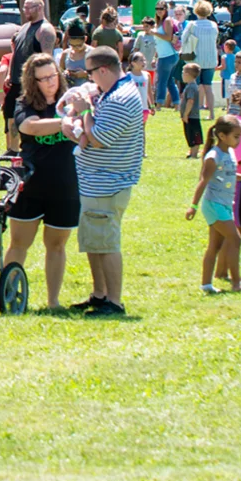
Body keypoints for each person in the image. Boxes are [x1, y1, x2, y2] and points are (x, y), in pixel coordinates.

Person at [69, 46, 143, 317]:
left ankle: (114, 301)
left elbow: (99, 138)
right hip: (97, 182)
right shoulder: (112, 93)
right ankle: (100, 295)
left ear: (102, 70)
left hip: (108, 184)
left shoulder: (121, 98)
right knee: (94, 241)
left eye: (90, 73)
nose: (88, 78)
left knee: (106, 243)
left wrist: (85, 110)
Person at [4, 54, 79, 309]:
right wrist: (65, 123)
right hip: (31, 184)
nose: (50, 82)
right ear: (32, 81)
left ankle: (53, 302)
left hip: (65, 183)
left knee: (56, 245)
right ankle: (7, 296)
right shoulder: (24, 103)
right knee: (19, 244)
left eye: (53, 76)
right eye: (44, 78)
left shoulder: (71, 103)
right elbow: (30, 128)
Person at [187, 116, 241, 294]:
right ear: (222, 136)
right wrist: (193, 206)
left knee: (215, 246)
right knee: (235, 239)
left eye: (240, 136)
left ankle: (206, 285)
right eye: (235, 136)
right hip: (214, 205)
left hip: (225, 204)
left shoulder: (229, 153)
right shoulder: (213, 156)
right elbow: (203, 181)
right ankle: (236, 282)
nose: (238, 140)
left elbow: (228, 174)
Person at [4, 0, 57, 151]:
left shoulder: (45, 30)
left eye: (29, 7)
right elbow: (15, 52)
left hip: (32, 83)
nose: (25, 11)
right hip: (16, 80)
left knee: (30, 115)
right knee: (11, 115)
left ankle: (28, 147)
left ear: (40, 7)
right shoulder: (25, 27)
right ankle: (12, 149)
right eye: (24, 7)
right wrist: (8, 73)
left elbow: (47, 60)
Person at [181, 1, 220, 118]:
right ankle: (212, 113)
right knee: (208, 86)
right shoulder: (213, 25)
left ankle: (195, 111)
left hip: (195, 60)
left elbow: (183, 39)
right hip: (210, 59)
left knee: (195, 87)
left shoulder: (192, 25)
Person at [151, 1, 182, 109]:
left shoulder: (167, 20)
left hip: (168, 55)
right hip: (166, 55)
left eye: (161, 8)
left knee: (162, 81)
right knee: (169, 81)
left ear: (166, 9)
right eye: (157, 8)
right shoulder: (159, 22)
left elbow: (168, 37)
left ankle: (159, 104)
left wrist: (154, 33)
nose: (159, 11)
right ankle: (177, 104)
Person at [178, 63, 204, 159]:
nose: (182, 75)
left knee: (194, 135)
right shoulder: (190, 86)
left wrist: (185, 114)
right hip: (190, 116)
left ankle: (194, 154)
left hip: (192, 116)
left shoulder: (191, 87)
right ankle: (192, 152)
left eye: (183, 73)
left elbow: (190, 101)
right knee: (189, 134)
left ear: (188, 74)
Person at [56, 22, 91, 88]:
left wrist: (86, 74)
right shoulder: (65, 54)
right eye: (72, 45)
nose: (76, 48)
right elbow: (59, 76)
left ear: (85, 39)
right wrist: (65, 74)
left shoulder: (93, 53)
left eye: (79, 45)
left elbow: (102, 75)